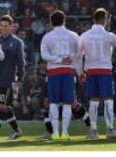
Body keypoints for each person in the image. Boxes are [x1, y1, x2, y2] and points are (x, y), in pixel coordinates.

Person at [80, 8, 116, 139]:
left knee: (93, 101)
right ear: (105, 20)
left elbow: (77, 55)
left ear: (93, 19)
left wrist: (79, 71)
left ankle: (93, 131)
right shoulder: (109, 35)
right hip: (104, 71)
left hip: (91, 71)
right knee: (108, 100)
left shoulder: (84, 35)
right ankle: (109, 130)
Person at [40, 10, 82, 140]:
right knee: (67, 103)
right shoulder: (74, 35)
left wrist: (59, 60)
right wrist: (78, 70)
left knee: (53, 103)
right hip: (68, 72)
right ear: (64, 20)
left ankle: (55, 133)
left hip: (53, 72)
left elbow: (44, 55)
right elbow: (80, 54)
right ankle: (64, 132)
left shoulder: (47, 36)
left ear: (52, 22)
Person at [0, 15, 25, 140]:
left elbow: (21, 63)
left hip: (10, 81)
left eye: (6, 26)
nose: (3, 28)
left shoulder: (17, 42)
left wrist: (20, 80)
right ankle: (17, 130)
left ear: (11, 27)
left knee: (1, 106)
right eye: (2, 26)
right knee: (4, 106)